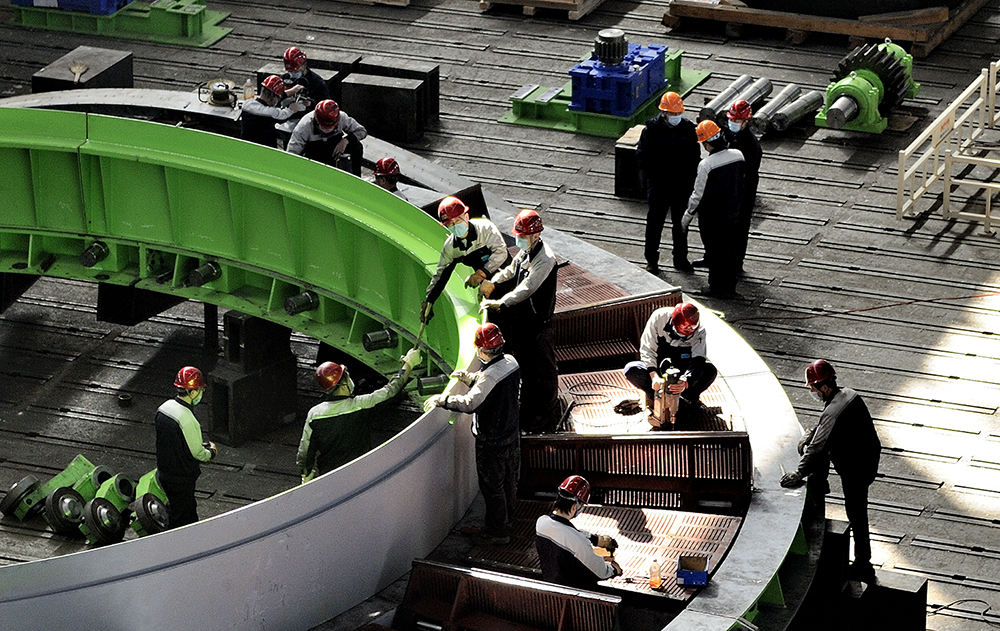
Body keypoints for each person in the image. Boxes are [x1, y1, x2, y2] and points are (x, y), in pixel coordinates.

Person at [781, 360, 881, 583]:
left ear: (824, 387)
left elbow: (818, 446)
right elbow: (825, 426)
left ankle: (863, 564)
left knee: (856, 513)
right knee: (821, 447)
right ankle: (820, 483)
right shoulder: (848, 394)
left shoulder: (834, 410)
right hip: (865, 457)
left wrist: (799, 473)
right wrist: (811, 432)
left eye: (813, 388)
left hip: (857, 468)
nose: (812, 392)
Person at [425, 323, 520, 545]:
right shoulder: (512, 362)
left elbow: (471, 403)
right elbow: (493, 381)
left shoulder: (489, 377)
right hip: (511, 436)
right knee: (509, 483)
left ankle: (497, 533)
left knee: (492, 488)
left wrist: (443, 400)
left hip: (492, 443)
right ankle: (508, 522)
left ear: (482, 350)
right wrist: (470, 379)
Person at [479, 209, 559, 434]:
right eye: (519, 236)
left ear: (536, 235)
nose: (519, 240)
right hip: (523, 323)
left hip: (539, 326)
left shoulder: (545, 260)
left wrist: (500, 303)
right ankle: (529, 414)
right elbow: (511, 270)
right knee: (527, 370)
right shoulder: (525, 253)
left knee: (543, 373)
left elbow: (527, 288)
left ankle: (546, 417)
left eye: (523, 236)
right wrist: (493, 282)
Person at [297, 347, 422, 481]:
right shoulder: (361, 405)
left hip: (330, 476)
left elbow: (305, 452)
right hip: (361, 473)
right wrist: (408, 364)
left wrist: (306, 473)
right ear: (343, 384)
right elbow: (391, 390)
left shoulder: (315, 414)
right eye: (347, 376)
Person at [635, 92, 700, 274]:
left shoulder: (688, 129)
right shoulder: (650, 131)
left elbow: (694, 156)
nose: (675, 117)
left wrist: (690, 179)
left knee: (681, 224)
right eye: (672, 114)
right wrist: (654, 177)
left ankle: (680, 258)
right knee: (655, 223)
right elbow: (642, 157)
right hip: (659, 186)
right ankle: (651, 260)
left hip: (681, 185)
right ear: (663, 113)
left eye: (678, 113)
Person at [680, 119, 745, 299]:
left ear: (707, 144)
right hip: (733, 212)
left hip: (712, 217)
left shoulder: (706, 165)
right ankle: (730, 287)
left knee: (715, 251)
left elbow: (698, 194)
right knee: (729, 251)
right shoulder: (738, 155)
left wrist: (688, 215)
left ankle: (716, 288)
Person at [420, 196, 511, 325]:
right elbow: (440, 276)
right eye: (450, 224)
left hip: (507, 275)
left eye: (458, 220)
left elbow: (501, 253)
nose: (455, 226)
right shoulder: (451, 248)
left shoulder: (485, 229)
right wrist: (429, 301)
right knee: (498, 320)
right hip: (486, 288)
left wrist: (481, 273)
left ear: (466, 216)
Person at [623, 302, 717, 426]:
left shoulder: (699, 331)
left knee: (710, 370)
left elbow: (698, 360)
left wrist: (686, 381)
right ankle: (655, 397)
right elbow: (647, 349)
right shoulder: (659, 317)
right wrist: (654, 376)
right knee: (631, 369)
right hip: (658, 366)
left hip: (683, 368)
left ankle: (687, 399)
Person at [154, 366, 217, 529]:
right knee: (181, 517)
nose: (201, 394)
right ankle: (176, 541)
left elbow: (173, 440)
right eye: (200, 390)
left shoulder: (164, 408)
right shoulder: (188, 419)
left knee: (181, 510)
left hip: (164, 473)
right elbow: (197, 452)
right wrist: (211, 452)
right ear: (193, 392)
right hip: (181, 479)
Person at [535, 475, 622, 589]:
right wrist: (614, 568)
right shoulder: (578, 542)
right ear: (574, 507)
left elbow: (567, 532)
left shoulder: (541, 523)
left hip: (551, 588)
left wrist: (595, 539)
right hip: (573, 595)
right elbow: (602, 572)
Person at [720, 100, 763, 276]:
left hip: (743, 193)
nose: (733, 123)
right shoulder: (727, 135)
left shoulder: (751, 145)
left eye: (737, 121)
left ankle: (736, 263)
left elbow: (748, 173)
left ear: (746, 121)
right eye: (732, 120)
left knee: (739, 227)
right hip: (727, 190)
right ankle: (718, 259)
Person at [286, 99, 367, 176]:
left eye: (332, 127)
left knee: (357, 146)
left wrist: (346, 140)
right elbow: (291, 155)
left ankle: (356, 177)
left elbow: (362, 131)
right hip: (314, 154)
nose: (328, 130)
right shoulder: (303, 127)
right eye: (324, 127)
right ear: (317, 121)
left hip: (334, 147)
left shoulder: (342, 117)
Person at [240, 74, 306, 148]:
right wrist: (292, 109)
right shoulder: (270, 112)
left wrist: (293, 90)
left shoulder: (247, 104)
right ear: (274, 98)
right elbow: (283, 115)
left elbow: (273, 95)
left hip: (247, 147)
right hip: (265, 150)